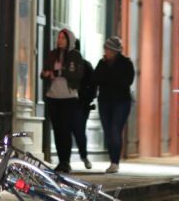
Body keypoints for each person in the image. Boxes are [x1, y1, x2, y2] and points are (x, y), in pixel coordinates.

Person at [41, 28, 85, 173]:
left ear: (69, 40)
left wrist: (57, 72)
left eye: (63, 38)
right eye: (59, 37)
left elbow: (75, 74)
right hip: (53, 97)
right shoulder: (53, 54)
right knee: (57, 130)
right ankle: (60, 161)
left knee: (66, 130)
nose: (59, 40)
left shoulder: (74, 55)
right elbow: (44, 72)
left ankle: (66, 161)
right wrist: (47, 74)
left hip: (68, 98)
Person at [94, 36, 134, 174]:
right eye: (105, 49)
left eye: (108, 49)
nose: (105, 51)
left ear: (114, 50)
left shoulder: (126, 63)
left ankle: (115, 162)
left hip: (121, 102)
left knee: (115, 130)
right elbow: (96, 79)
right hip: (104, 101)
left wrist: (108, 79)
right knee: (108, 132)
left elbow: (127, 81)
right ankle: (113, 160)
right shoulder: (102, 63)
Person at [73, 39, 96, 169]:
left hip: (81, 103)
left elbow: (93, 85)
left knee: (79, 130)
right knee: (74, 131)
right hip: (72, 101)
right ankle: (79, 157)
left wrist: (87, 98)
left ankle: (84, 156)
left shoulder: (85, 65)